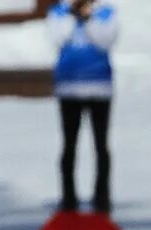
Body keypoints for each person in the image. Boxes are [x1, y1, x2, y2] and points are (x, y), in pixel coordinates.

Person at [47, 0, 119, 213]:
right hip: (69, 87)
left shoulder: (106, 12)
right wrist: (72, 16)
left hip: (99, 87)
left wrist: (88, 18)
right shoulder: (59, 12)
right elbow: (57, 39)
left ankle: (102, 199)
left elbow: (105, 41)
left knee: (101, 145)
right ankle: (69, 200)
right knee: (69, 145)